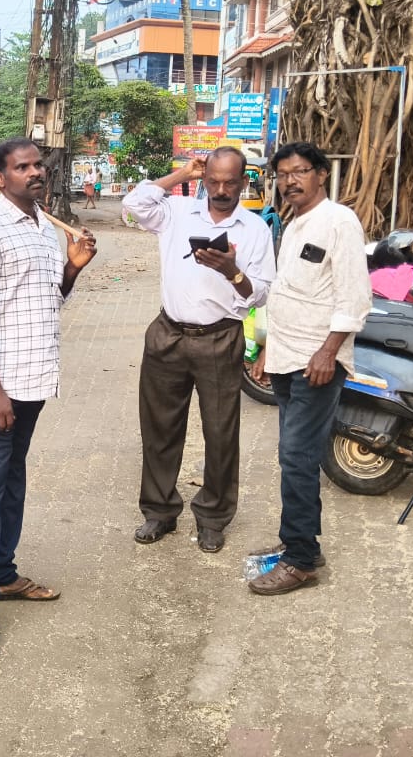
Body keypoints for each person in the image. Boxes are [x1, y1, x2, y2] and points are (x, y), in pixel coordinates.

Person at [0, 137, 97, 657]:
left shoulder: (42, 227)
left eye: (39, 165)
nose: (36, 173)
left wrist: (73, 267)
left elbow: (45, 300)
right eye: (22, 167)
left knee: (12, 481)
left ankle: (5, 573)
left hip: (33, 383)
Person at [122, 147, 276, 554]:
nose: (221, 190)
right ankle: (159, 511)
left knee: (221, 433)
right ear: (204, 179)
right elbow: (134, 204)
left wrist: (232, 271)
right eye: (214, 181)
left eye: (230, 183)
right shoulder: (176, 212)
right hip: (168, 334)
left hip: (220, 338)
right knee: (159, 429)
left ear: (244, 182)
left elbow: (261, 294)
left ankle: (212, 518)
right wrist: (181, 175)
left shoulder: (255, 229)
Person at [248, 141, 371, 595]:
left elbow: (355, 296)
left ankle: (300, 561)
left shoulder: (339, 221)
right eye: (283, 174)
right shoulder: (294, 222)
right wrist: (268, 350)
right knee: (295, 454)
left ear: (321, 174)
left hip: (316, 362)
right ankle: (303, 545)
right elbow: (286, 293)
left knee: (296, 456)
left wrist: (328, 351)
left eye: (299, 171)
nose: (290, 181)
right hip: (288, 356)